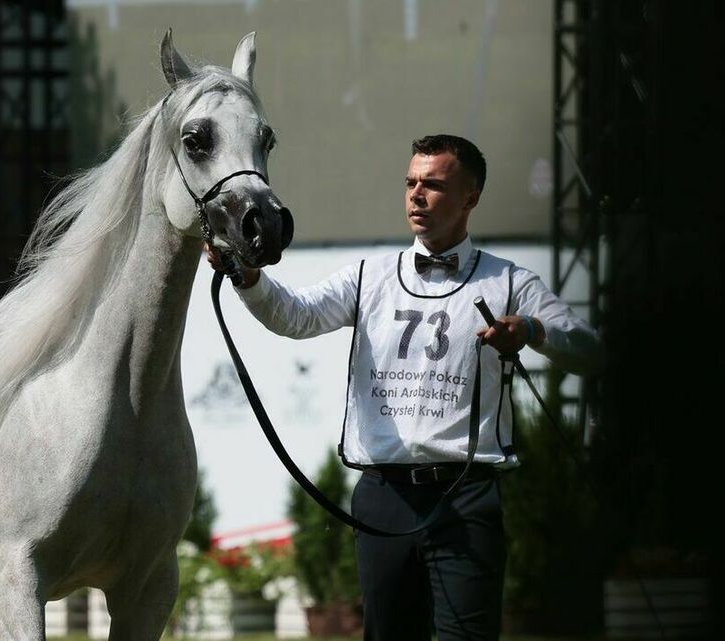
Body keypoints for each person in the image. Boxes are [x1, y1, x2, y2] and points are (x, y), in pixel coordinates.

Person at [206, 134, 602, 640]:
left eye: (433, 184)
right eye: (410, 182)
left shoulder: (510, 282)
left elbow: (590, 351)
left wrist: (532, 330)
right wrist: (247, 276)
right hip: (383, 493)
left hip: (465, 495)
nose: (417, 194)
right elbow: (296, 316)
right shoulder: (369, 275)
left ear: (470, 197)